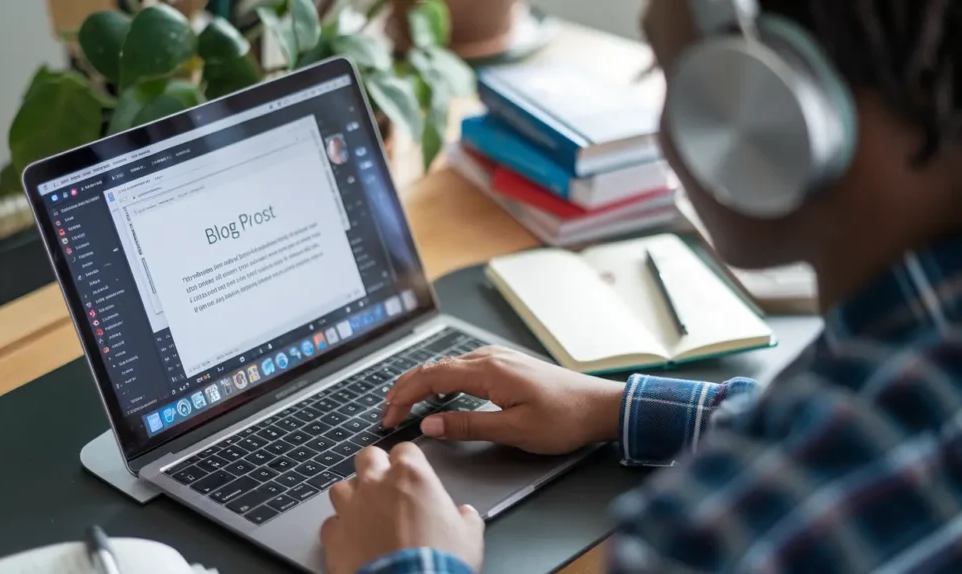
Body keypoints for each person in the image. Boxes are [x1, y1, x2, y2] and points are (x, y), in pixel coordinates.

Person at [320, 0, 962, 572]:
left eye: (676, 81)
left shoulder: (718, 537)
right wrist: (613, 408)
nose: (663, 134)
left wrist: (411, 564)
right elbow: (819, 423)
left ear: (786, 109)